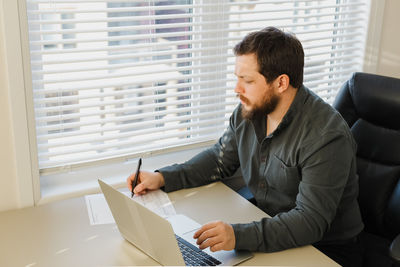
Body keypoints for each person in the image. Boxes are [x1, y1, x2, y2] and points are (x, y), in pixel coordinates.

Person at [127, 26, 364, 266]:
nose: (237, 89)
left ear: (281, 83)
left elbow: (310, 222)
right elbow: (219, 159)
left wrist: (238, 236)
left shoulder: (326, 136)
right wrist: (162, 178)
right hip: (266, 222)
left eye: (247, 80)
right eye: (237, 78)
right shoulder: (251, 110)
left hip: (323, 249)